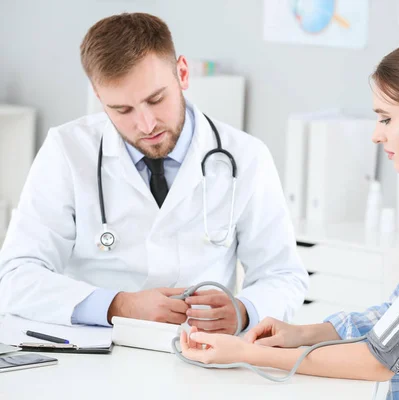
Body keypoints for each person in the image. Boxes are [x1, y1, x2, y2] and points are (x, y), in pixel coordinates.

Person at [177, 38, 399, 399]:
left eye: (386, 118)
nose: (375, 134)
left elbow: (382, 360)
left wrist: (247, 354)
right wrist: (302, 333)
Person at [0, 13, 309, 333]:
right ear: (98, 96)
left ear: (183, 74)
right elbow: (15, 276)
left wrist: (244, 310)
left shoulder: (246, 156)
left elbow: (283, 275)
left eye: (156, 99)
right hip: (97, 352)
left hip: (202, 355)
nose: (146, 125)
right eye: (122, 110)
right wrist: (118, 305)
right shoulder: (67, 151)